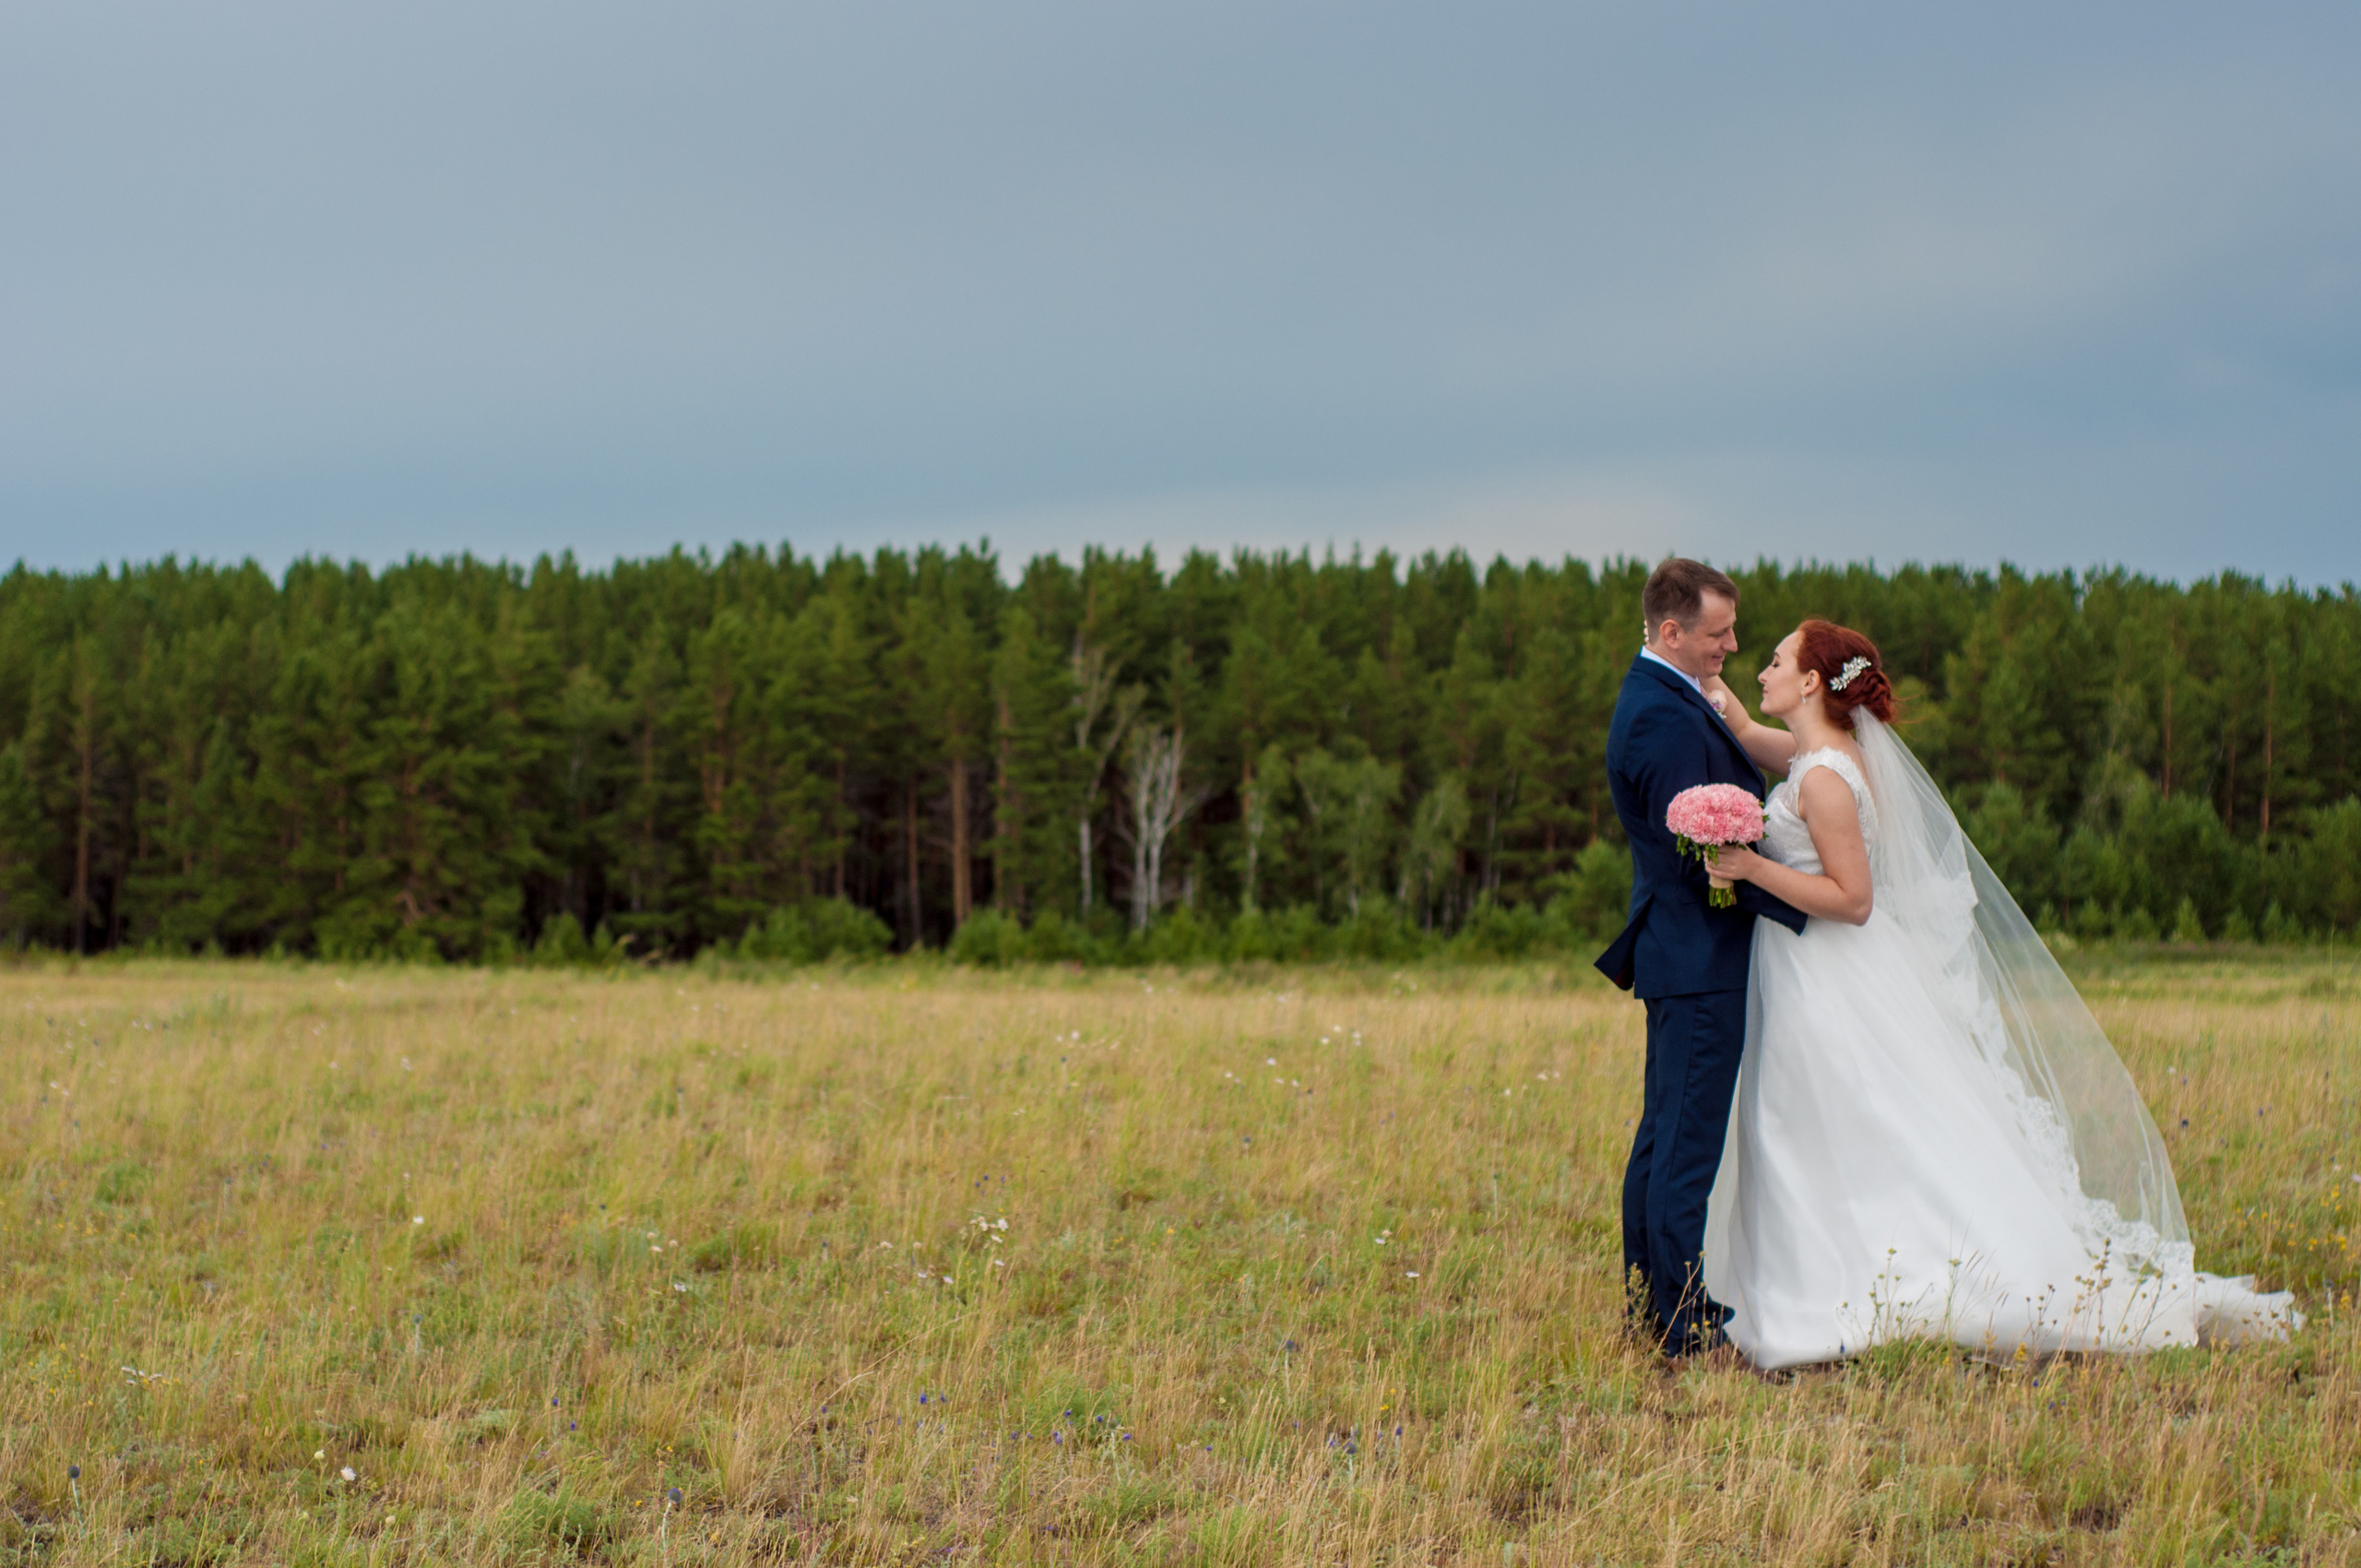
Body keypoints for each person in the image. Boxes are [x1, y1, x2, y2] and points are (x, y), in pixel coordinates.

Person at [1698, 618, 2299, 1368]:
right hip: (1818, 970)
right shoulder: (1822, 753)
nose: (1763, 670)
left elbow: (1854, 898)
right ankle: (1819, 1281)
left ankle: (1851, 1292)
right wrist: (1704, 674)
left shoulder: (1822, 778)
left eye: (1777, 659)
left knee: (1831, 1120)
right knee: (1838, 1121)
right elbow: (1757, 734)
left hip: (1831, 969)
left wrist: (1750, 869)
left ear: (1813, 681)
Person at [1596, 559, 1806, 1357]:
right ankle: (1676, 1324)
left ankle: (1661, 1308)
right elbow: (1703, 857)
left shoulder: (1674, 697)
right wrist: (1805, 907)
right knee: (1683, 1146)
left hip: (1689, 954)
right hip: (1695, 956)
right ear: (1672, 631)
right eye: (1717, 634)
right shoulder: (1660, 716)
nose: (1732, 645)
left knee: (1667, 1137)